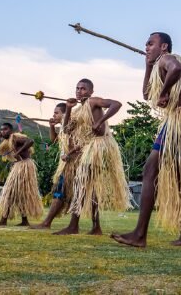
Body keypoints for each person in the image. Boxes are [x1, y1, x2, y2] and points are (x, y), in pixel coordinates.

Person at [112, 32, 181, 248]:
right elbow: (146, 95)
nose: (146, 46)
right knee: (178, 177)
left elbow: (177, 69)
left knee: (150, 169)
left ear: (163, 47)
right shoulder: (157, 65)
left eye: (150, 43)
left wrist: (164, 92)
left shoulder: (168, 59)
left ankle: (139, 234)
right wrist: (147, 66)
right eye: (145, 44)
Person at [55, 79, 129, 235]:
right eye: (77, 88)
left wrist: (101, 121)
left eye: (83, 89)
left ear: (90, 92)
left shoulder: (94, 101)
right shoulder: (77, 111)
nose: (79, 91)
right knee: (91, 186)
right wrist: (68, 109)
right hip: (90, 147)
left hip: (99, 145)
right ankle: (96, 227)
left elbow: (117, 104)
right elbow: (67, 130)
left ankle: (73, 226)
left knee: (80, 183)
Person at [32, 103, 81, 230]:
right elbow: (54, 141)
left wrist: (69, 154)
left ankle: (48, 223)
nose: (54, 115)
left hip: (77, 165)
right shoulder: (64, 129)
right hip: (68, 165)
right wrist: (52, 127)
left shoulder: (73, 127)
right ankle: (47, 222)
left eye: (56, 113)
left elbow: (81, 144)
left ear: (64, 114)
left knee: (76, 194)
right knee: (60, 192)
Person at [0, 123, 43, 226]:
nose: (3, 131)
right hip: (18, 166)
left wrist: (17, 152)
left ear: (11, 130)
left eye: (5, 129)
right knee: (19, 194)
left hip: (24, 166)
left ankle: (4, 220)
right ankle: (23, 221)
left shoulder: (15, 137)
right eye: (2, 130)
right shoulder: (6, 142)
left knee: (9, 192)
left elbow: (30, 141)